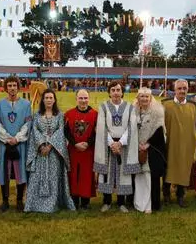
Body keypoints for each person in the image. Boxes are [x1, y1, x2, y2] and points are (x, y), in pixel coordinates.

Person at [24, 89, 76, 213]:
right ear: (43, 100)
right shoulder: (36, 115)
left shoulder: (60, 115)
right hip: (40, 152)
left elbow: (60, 132)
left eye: (51, 98)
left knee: (53, 177)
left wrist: (50, 145)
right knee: (37, 176)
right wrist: (41, 145)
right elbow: (34, 131)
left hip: (54, 152)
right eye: (46, 98)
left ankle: (52, 204)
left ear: (54, 100)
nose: (48, 100)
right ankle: (34, 204)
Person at [94, 81, 140, 213]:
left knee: (122, 173)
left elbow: (131, 127)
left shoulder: (130, 107)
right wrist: (112, 143)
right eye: (113, 90)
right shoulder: (103, 107)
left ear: (122, 92)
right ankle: (106, 201)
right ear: (109, 92)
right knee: (107, 173)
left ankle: (121, 202)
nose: (115, 92)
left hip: (123, 145)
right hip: (107, 144)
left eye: (118, 90)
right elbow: (102, 127)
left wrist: (120, 143)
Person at [0, 75, 32, 212]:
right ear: (6, 88)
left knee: (20, 171)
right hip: (5, 144)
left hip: (20, 144)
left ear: (18, 87)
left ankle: (19, 200)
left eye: (14, 85)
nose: (12, 88)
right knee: (4, 171)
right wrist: (7, 138)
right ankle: (5, 201)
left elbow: (28, 124)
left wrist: (17, 138)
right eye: (9, 86)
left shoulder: (26, 105)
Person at [162, 79, 196, 208]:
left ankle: (180, 195)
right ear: (174, 90)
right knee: (168, 168)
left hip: (186, 144)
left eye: (184, 88)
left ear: (188, 90)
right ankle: (166, 194)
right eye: (179, 88)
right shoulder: (165, 105)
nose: (182, 91)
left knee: (184, 168)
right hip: (170, 143)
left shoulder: (193, 106)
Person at [64, 89, 97, 210]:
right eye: (81, 98)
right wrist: (75, 143)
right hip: (73, 150)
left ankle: (85, 201)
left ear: (89, 99)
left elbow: (96, 133)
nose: (83, 101)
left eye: (85, 98)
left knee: (86, 175)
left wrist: (88, 143)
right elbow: (66, 132)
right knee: (73, 175)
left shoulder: (95, 114)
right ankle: (74, 200)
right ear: (76, 99)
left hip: (88, 151)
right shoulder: (68, 114)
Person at [134, 87, 166, 213]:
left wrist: (148, 143)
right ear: (138, 98)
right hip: (137, 147)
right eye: (142, 96)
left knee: (151, 177)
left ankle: (152, 204)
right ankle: (139, 203)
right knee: (139, 176)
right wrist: (137, 144)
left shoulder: (157, 112)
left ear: (150, 98)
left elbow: (159, 131)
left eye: (147, 97)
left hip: (152, 149)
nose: (144, 99)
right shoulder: (134, 111)